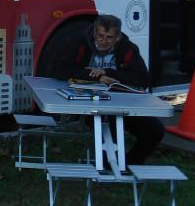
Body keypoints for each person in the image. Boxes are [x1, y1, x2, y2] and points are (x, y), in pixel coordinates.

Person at [57, 14, 164, 166]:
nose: (103, 41)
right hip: (91, 105)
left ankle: (131, 163)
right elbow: (60, 68)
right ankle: (109, 165)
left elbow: (143, 78)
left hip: (122, 104)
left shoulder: (128, 48)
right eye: (100, 36)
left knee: (155, 130)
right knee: (109, 126)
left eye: (109, 37)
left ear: (118, 37)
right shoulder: (78, 42)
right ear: (94, 32)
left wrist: (108, 73)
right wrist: (95, 77)